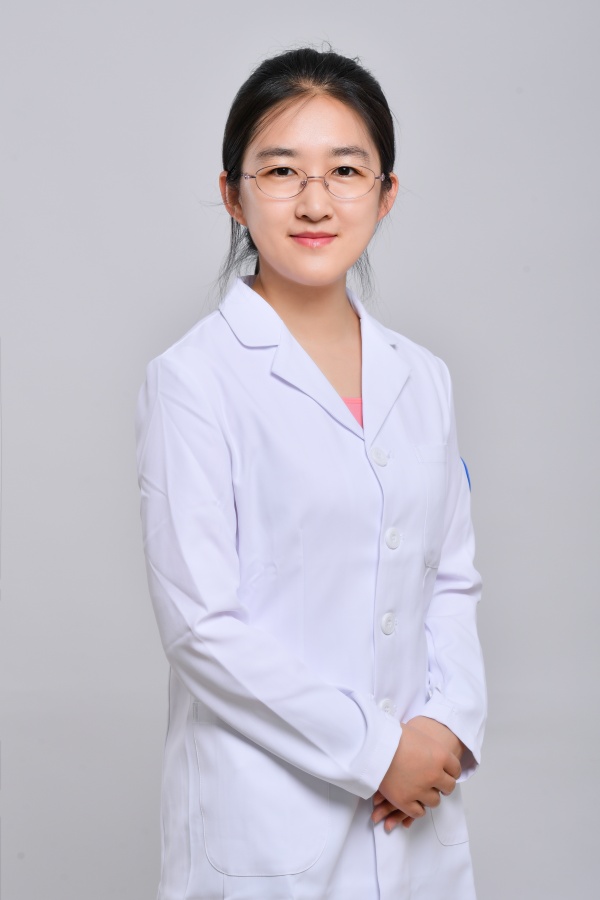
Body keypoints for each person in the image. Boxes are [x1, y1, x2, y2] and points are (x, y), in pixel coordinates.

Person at [136, 46, 486, 900]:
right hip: (267, 818)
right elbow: (201, 626)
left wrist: (446, 727)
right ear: (233, 193)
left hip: (414, 810)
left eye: (346, 171)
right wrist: (378, 752)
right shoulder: (193, 379)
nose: (316, 202)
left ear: (386, 192)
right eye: (281, 170)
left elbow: (450, 577)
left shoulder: (423, 378)